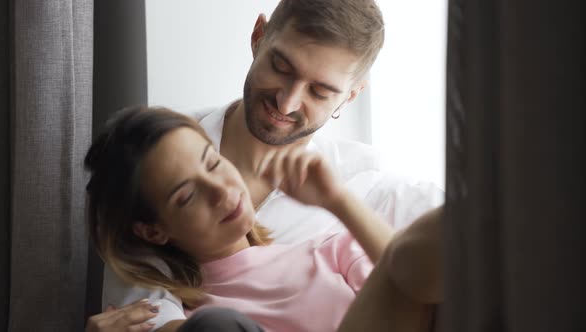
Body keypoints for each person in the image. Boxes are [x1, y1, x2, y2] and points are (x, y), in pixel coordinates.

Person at [93, 0, 444, 330]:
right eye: (281, 66)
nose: (287, 102)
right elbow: (146, 311)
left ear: (350, 94)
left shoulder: (367, 187)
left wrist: (338, 202)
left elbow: (445, 268)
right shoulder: (165, 152)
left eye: (319, 91)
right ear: (258, 37)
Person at [85, 106, 443, 332]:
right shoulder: (188, 320)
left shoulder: (331, 251)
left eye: (212, 162)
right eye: (188, 195)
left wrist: (338, 202)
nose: (224, 191)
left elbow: (419, 287)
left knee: (429, 237)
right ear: (154, 230)